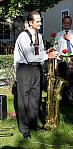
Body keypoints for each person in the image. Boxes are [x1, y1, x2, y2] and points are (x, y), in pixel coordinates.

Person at [14, 10, 58, 139]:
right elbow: (29, 57)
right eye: (37, 21)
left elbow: (40, 53)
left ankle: (33, 124)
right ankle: (24, 129)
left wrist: (48, 51)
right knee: (24, 100)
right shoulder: (23, 36)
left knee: (35, 97)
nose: (40, 22)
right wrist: (47, 55)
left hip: (36, 69)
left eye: (40, 20)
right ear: (30, 22)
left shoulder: (39, 35)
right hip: (25, 69)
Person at [55, 15, 73, 105]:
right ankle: (62, 100)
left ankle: (69, 101)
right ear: (63, 23)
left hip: (72, 60)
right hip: (62, 60)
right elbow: (56, 48)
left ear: (71, 23)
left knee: (71, 81)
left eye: (68, 22)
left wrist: (70, 40)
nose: (67, 24)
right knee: (62, 80)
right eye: (65, 22)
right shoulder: (59, 35)